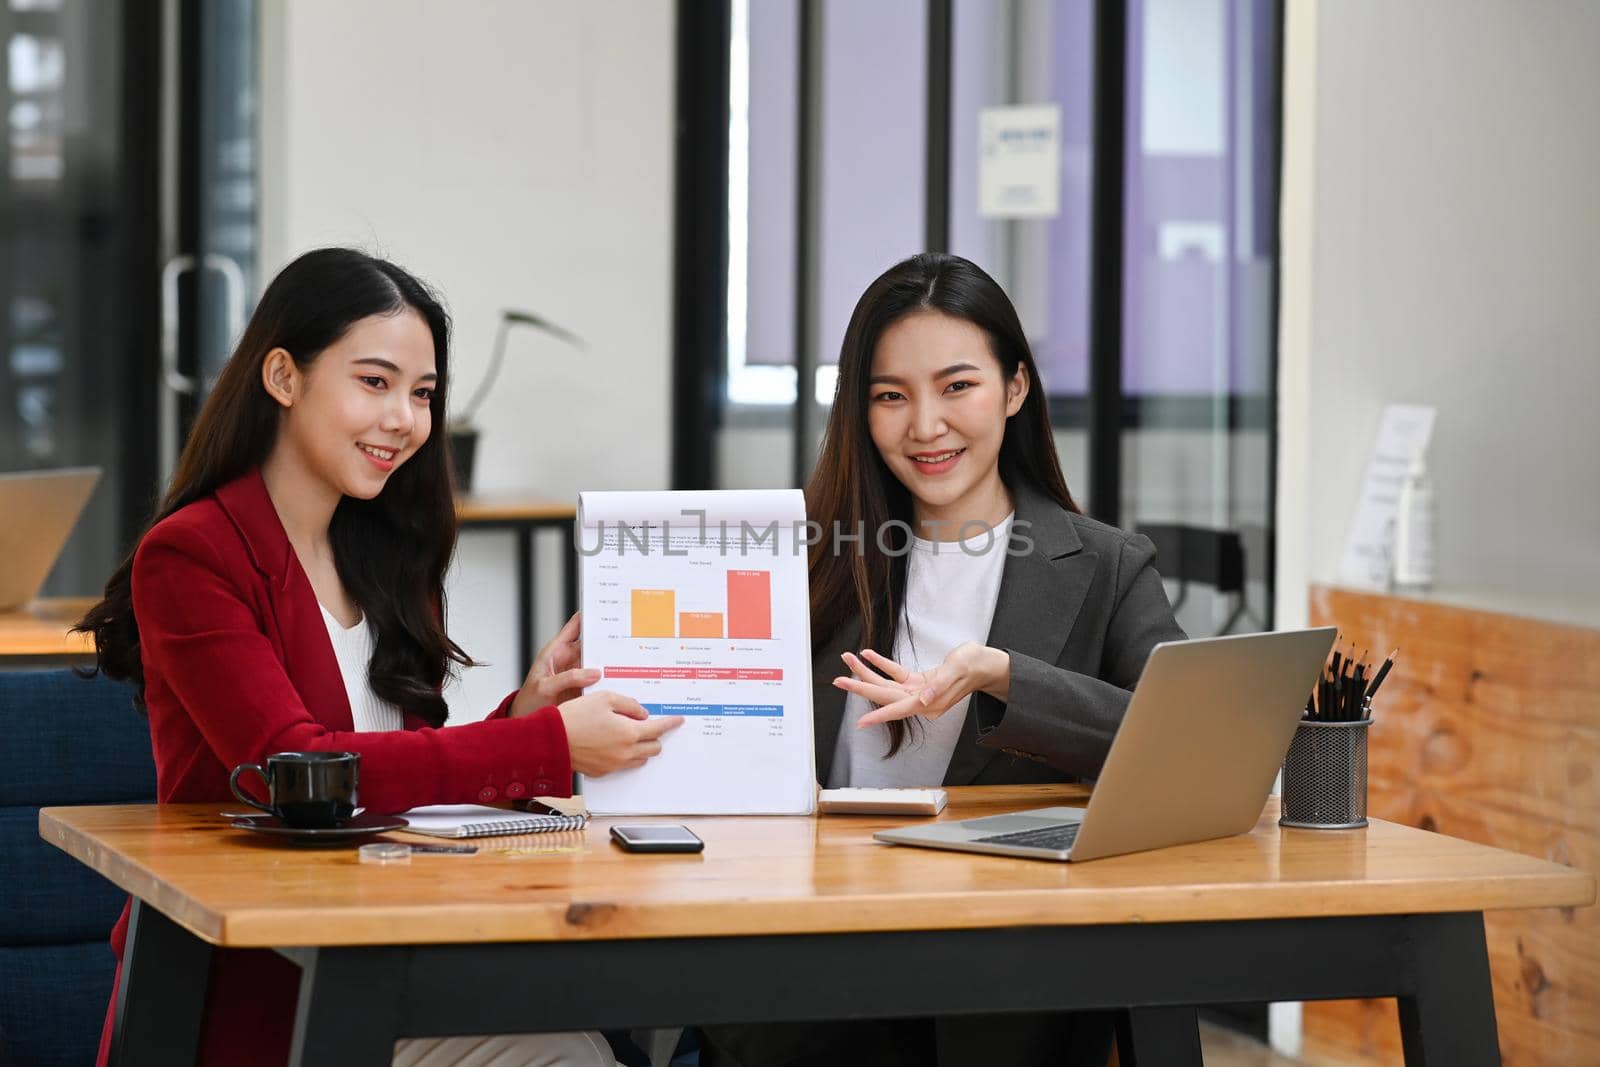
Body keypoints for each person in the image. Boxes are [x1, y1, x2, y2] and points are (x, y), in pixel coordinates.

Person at [78, 247, 680, 1067]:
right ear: (283, 377)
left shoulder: (387, 555)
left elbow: (400, 768)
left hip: (384, 951)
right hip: (257, 986)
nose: (404, 417)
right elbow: (302, 773)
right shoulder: (192, 555)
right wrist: (547, 744)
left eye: (423, 393)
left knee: (595, 1037)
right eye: (374, 381)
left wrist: (526, 715)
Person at [700, 253, 1186, 1067]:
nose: (925, 426)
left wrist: (1005, 676)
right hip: (810, 990)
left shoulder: (1107, 566)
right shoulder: (800, 559)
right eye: (891, 396)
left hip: (1006, 995)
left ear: (1016, 388)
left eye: (957, 386)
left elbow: (1180, 745)